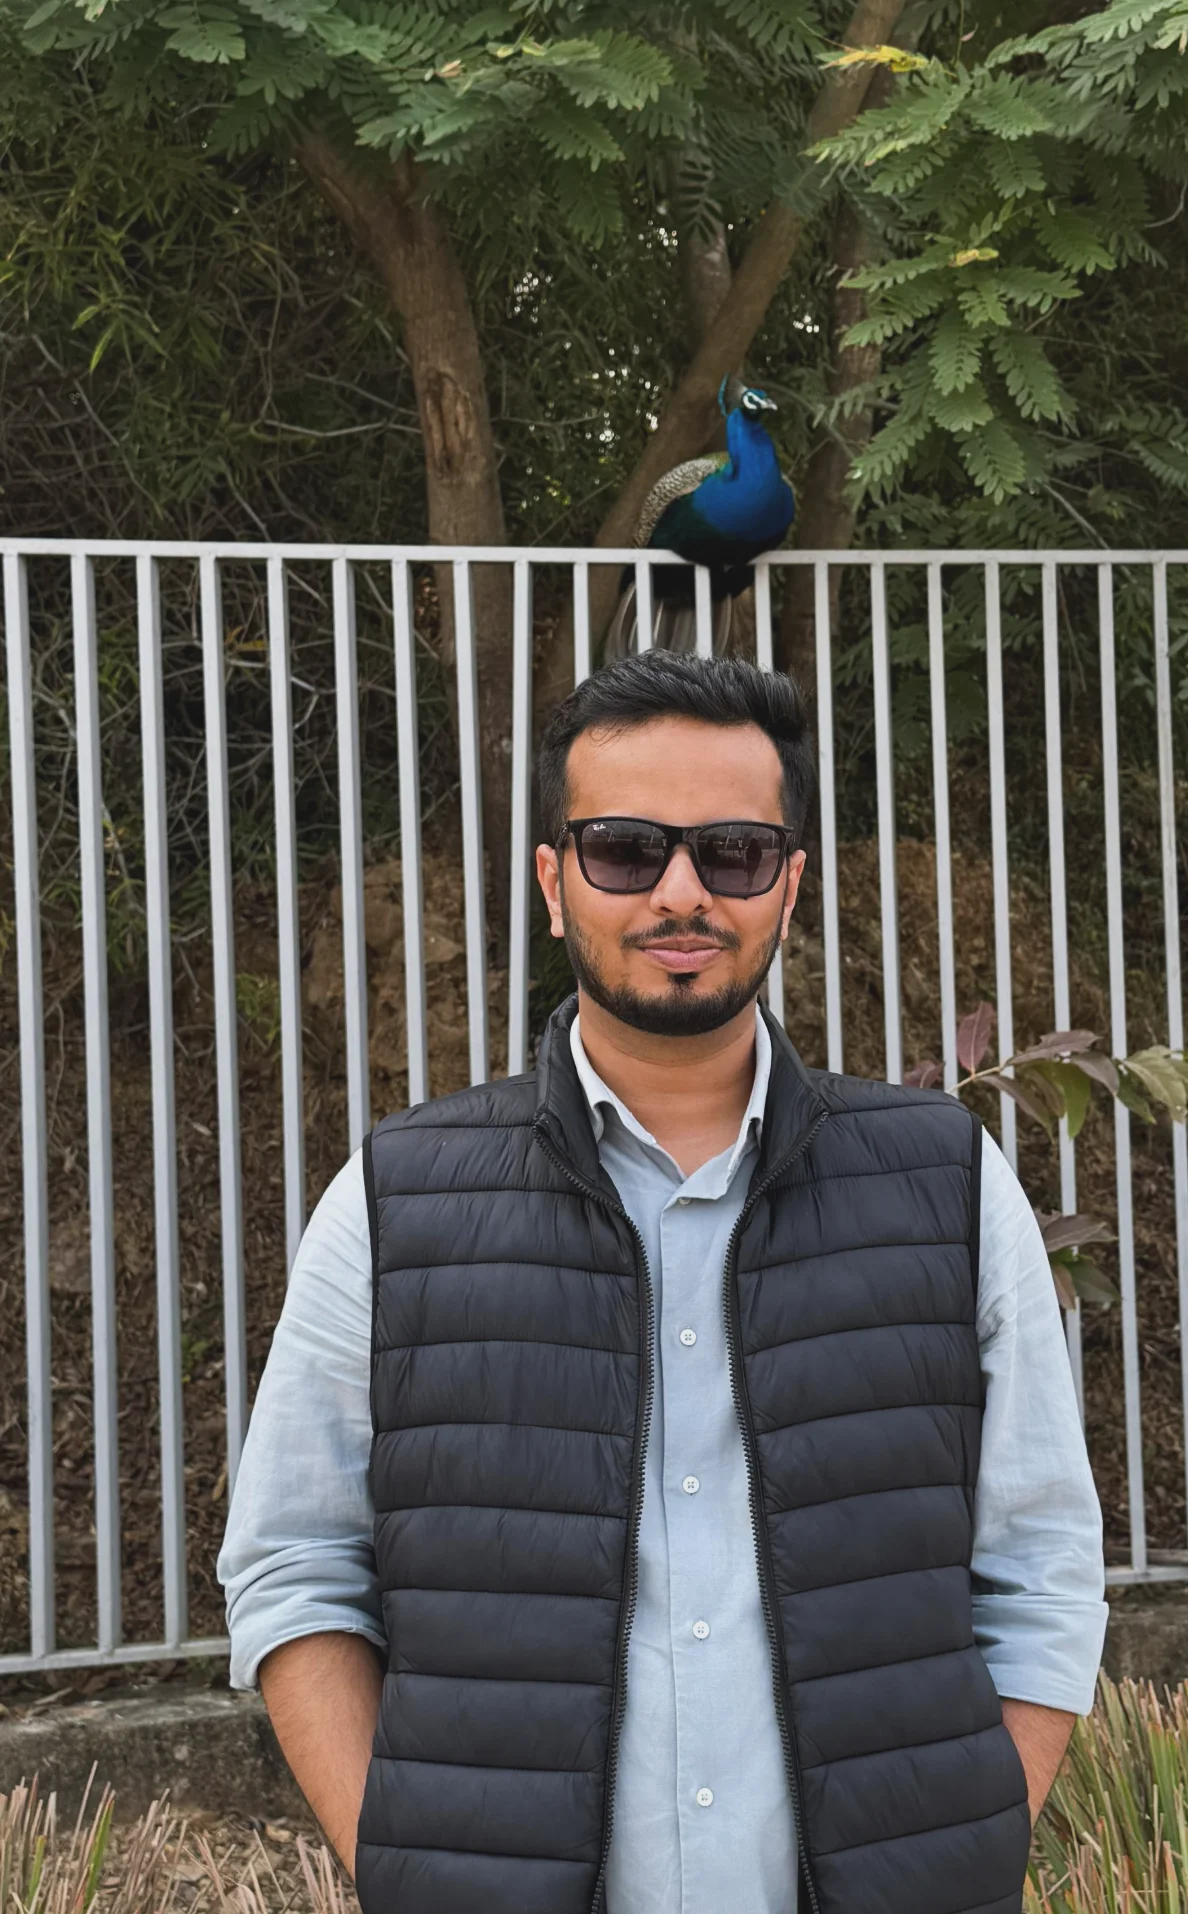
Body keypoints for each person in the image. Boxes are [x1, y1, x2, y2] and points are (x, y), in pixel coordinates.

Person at [217, 650, 1107, 1914]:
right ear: (553, 883)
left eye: (734, 852)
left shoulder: (948, 1184)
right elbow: (295, 1565)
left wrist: (954, 1858)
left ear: (790, 885)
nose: (681, 891)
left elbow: (1042, 1565)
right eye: (626, 849)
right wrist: (410, 1868)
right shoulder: (395, 1202)